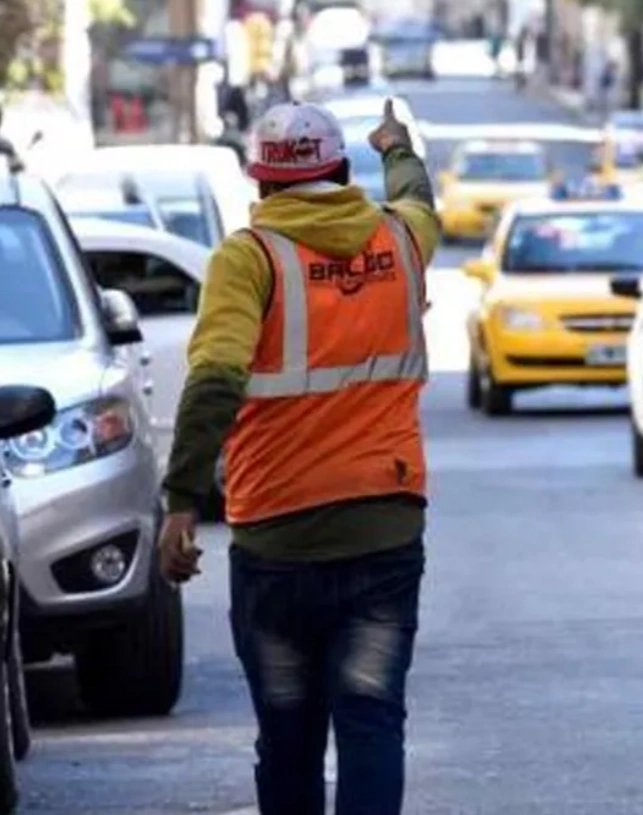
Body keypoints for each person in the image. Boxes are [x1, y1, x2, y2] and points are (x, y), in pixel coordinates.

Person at [158, 99, 439, 815]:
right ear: (340, 170)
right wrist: (396, 146)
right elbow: (416, 198)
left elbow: (215, 378)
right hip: (383, 534)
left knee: (287, 738)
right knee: (372, 720)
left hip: (276, 544)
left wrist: (182, 500)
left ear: (261, 186)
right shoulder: (401, 241)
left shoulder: (247, 258)